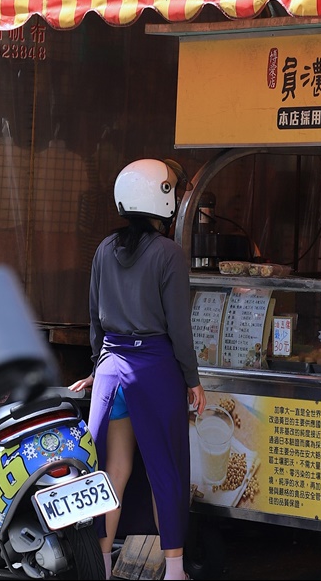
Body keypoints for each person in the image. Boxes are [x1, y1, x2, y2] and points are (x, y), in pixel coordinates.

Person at [69, 158, 206, 581]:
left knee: (112, 471)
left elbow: (95, 320)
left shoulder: (103, 250)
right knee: (167, 470)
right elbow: (179, 329)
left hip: (111, 370)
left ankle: (102, 564)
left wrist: (97, 369)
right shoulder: (169, 255)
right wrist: (193, 379)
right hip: (155, 369)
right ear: (161, 200)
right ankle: (175, 571)